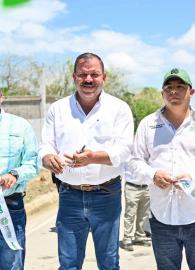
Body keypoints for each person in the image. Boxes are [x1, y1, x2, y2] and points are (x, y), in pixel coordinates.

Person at [127, 68, 195, 270]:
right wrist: (153, 174)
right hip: (161, 217)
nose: (174, 92)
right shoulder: (148, 124)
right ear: (162, 93)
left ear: (191, 92)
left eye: (180, 87)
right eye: (169, 88)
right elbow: (133, 162)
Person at [39, 52, 134, 270]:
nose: (88, 80)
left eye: (94, 74)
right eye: (83, 75)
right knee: (69, 262)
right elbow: (46, 145)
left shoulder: (119, 108)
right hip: (69, 195)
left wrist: (93, 158)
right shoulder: (58, 109)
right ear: (74, 77)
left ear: (104, 77)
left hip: (107, 195)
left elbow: (125, 149)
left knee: (109, 262)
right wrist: (47, 157)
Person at [0, 90, 39, 269]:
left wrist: (14, 175)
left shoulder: (20, 126)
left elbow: (32, 164)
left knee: (11, 265)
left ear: (1, 97)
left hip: (10, 207)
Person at [120, 168, 151, 252]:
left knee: (144, 214)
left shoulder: (147, 154)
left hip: (146, 187)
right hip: (132, 187)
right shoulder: (128, 155)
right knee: (130, 214)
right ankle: (127, 238)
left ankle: (140, 236)